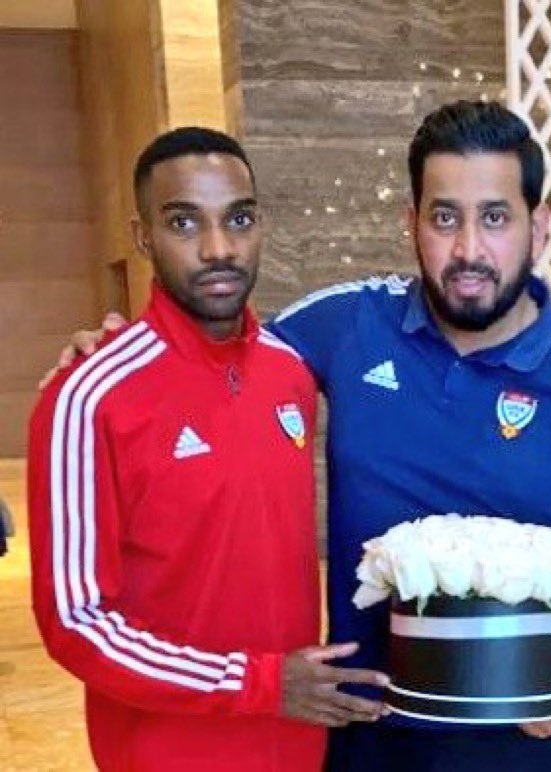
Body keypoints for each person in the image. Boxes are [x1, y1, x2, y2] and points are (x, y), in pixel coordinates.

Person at [46, 103, 551, 771]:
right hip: (361, 734)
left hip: (523, 746)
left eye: (495, 217)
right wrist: (118, 354)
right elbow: (222, 355)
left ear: (540, 226)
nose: (469, 249)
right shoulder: (346, 323)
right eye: (445, 218)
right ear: (412, 224)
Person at [28, 127, 388, 772]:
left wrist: (283, 694)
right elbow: (76, 623)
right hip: (167, 755)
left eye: (239, 219)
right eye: (184, 222)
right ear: (143, 237)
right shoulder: (87, 395)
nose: (219, 248)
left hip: (295, 746)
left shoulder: (290, 372)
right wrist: (259, 683)